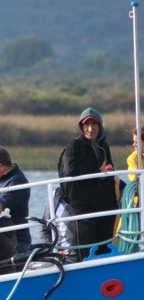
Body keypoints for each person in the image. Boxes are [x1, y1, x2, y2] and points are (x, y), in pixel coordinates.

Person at [58, 107, 119, 261]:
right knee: (86, 246)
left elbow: (109, 172)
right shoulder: (74, 145)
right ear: (81, 126)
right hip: (83, 204)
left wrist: (116, 198)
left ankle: (105, 268)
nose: (90, 129)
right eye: (87, 125)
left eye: (94, 125)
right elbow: (71, 170)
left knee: (104, 244)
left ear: (100, 126)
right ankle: (85, 270)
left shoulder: (104, 146)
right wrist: (96, 172)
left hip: (104, 203)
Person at [0, 145, 32, 254]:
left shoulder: (17, 182)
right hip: (5, 240)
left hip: (17, 242)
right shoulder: (0, 180)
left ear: (0, 165)